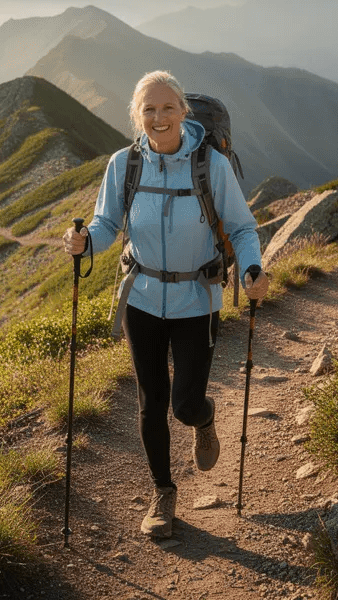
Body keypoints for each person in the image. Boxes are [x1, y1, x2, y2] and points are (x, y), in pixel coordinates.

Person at [63, 70, 269, 538]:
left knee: (184, 403)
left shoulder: (209, 166)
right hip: (141, 297)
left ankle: (204, 416)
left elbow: (241, 229)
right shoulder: (124, 163)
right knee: (150, 401)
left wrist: (253, 268)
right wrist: (83, 244)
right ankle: (162, 494)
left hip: (197, 298)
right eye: (149, 110)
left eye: (168, 108)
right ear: (138, 115)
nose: (159, 118)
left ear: (182, 111)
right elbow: (105, 223)